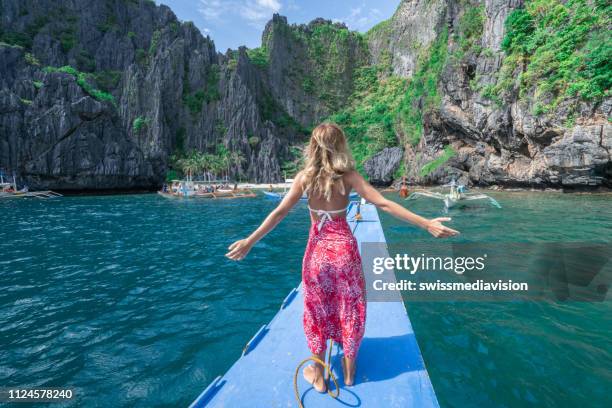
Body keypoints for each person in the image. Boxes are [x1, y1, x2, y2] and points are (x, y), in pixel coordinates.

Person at [226, 123, 458, 391]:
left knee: (317, 310)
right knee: (349, 307)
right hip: (344, 253)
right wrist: (426, 223)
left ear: (312, 147)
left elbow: (279, 213)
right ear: (340, 145)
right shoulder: (348, 176)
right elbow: (383, 203)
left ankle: (320, 375)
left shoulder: (304, 178)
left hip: (317, 254)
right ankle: (348, 372)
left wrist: (249, 241)